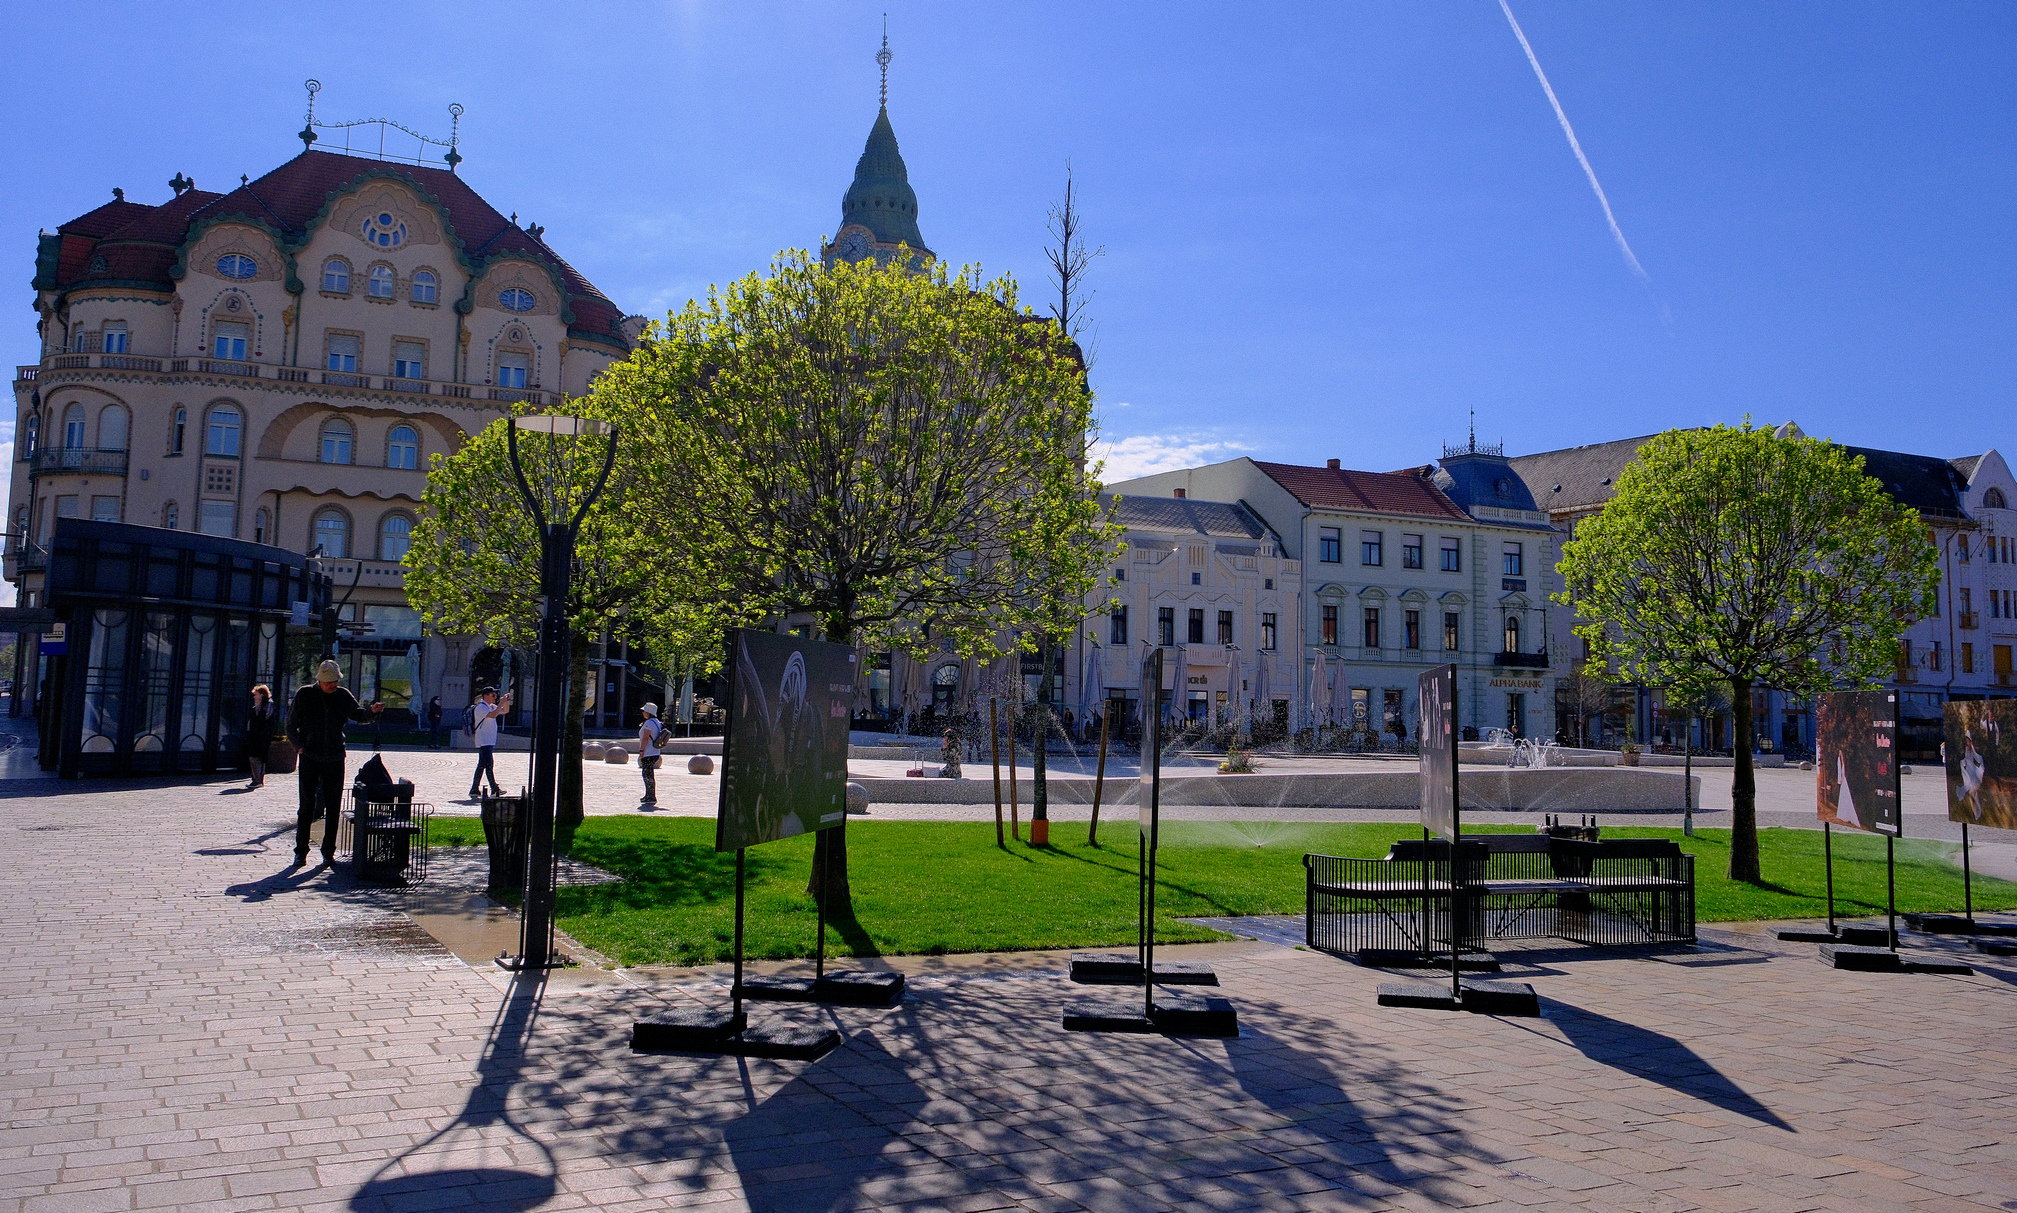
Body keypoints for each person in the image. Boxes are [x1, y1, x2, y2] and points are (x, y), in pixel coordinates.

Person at [287, 660, 383, 868]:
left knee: (333, 806)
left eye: (335, 681)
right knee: (306, 806)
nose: (333, 685)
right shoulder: (305, 694)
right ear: (320, 680)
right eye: (329, 682)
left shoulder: (343, 695)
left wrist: (372, 711)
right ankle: (300, 851)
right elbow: (291, 724)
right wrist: (299, 746)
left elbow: (359, 715)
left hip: (335, 756)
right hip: (310, 756)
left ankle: (328, 851)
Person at [469, 687, 511, 800]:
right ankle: (494, 788)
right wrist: (501, 703)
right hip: (484, 740)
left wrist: (505, 701)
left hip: (489, 740)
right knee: (489, 764)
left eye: (495, 695)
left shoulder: (490, 706)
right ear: (486, 695)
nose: (495, 697)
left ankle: (474, 789)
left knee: (482, 765)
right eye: (493, 695)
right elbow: (492, 715)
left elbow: (505, 711)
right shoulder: (481, 707)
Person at [242, 684, 278, 789]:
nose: (254, 697)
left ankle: (258, 780)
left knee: (259, 757)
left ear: (261, 695)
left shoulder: (268, 705)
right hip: (255, 736)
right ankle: (256, 779)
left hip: (262, 736)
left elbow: (263, 719)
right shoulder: (257, 706)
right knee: (254, 756)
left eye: (256, 694)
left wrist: (258, 708)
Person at [638, 702, 665, 805]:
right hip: (655, 752)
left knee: (647, 774)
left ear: (648, 712)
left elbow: (645, 737)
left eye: (644, 711)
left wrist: (641, 751)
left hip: (648, 752)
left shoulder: (649, 723)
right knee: (649, 774)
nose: (643, 713)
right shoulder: (657, 722)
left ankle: (650, 796)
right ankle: (649, 795)